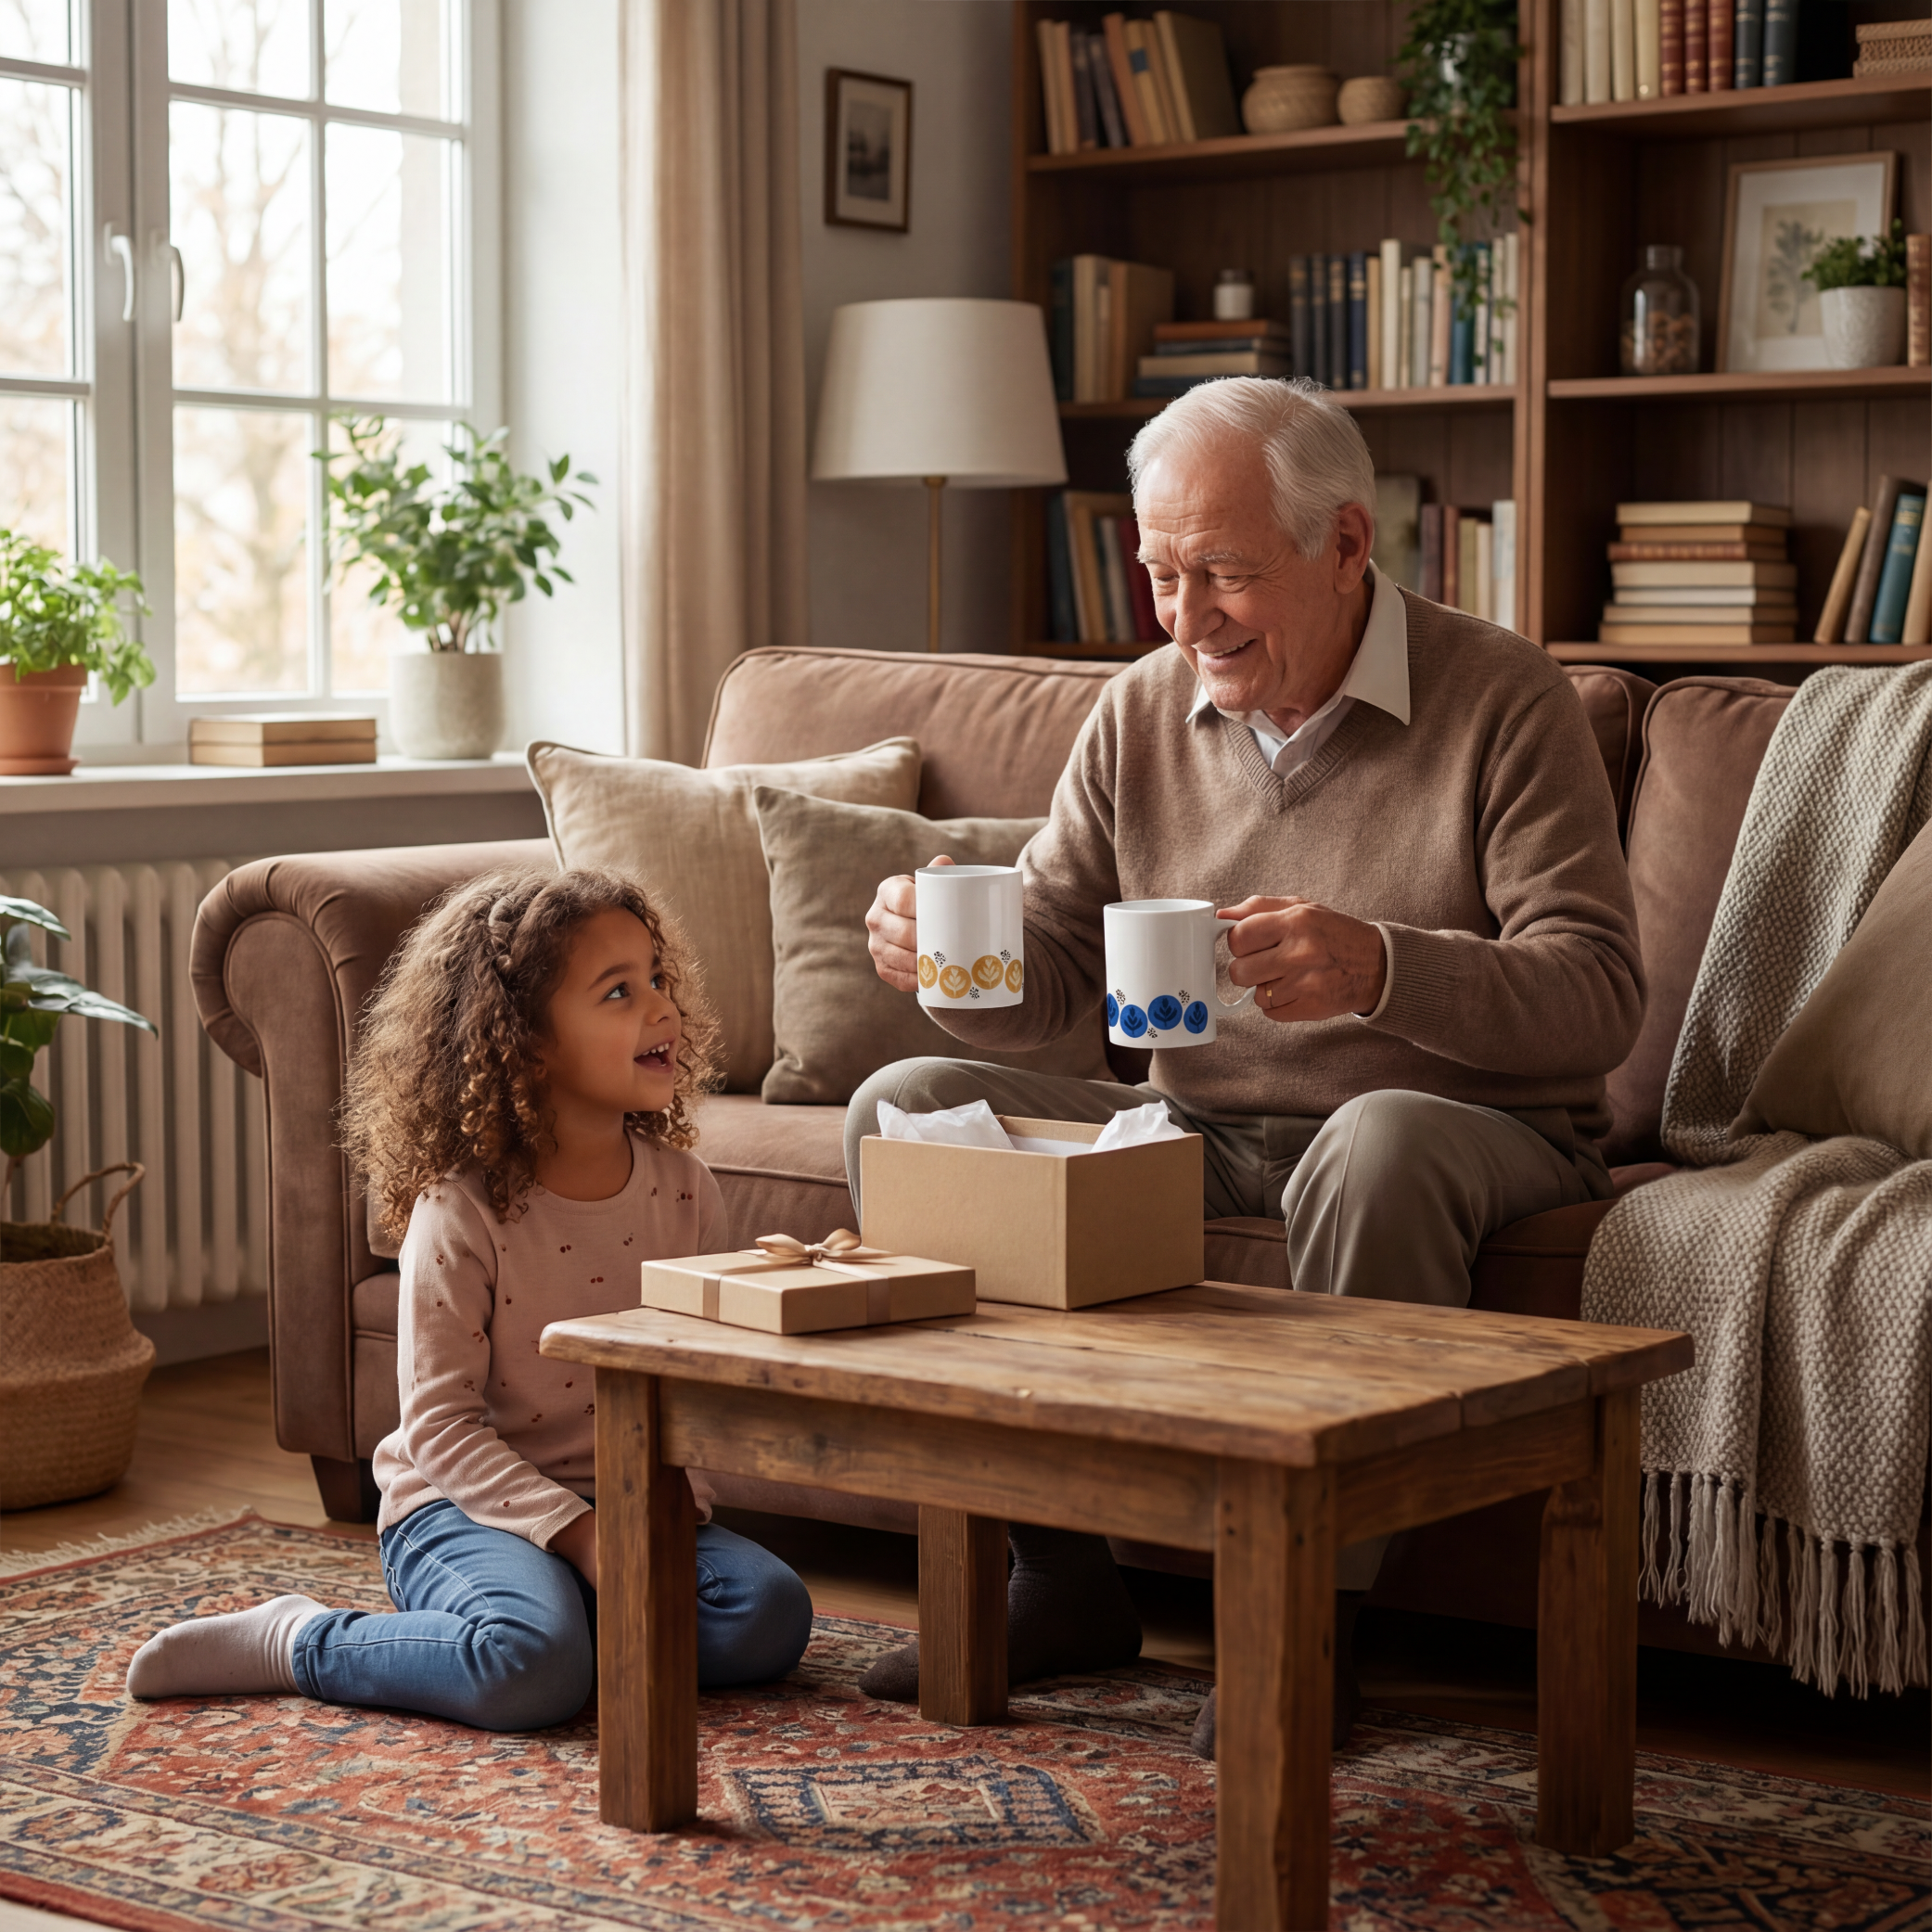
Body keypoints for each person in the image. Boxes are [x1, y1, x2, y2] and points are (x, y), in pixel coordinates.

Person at [849, 377, 1644, 1751]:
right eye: (1161, 572)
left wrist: (1381, 966)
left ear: (1344, 547)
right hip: (1202, 1120)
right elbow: (1055, 979)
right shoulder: (1138, 714)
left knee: (1375, 1135)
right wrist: (947, 966)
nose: (1184, 614)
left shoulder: (1501, 696)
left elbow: (1596, 995)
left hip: (1463, 1129)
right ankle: (1058, 1572)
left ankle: (1304, 1615)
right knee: (903, 1107)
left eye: (1222, 571)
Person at [127, 868, 813, 1731]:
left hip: (620, 1504)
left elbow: (692, 1383)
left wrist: (671, 1508)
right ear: (523, 1040)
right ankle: (301, 1639)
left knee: (770, 1614)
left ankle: (559, 1624)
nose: (661, 1009)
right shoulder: (462, 1210)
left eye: (658, 979)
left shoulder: (686, 1191)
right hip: (461, 1504)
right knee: (527, 1666)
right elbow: (442, 1429)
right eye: (618, 991)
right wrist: (583, 1538)